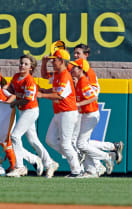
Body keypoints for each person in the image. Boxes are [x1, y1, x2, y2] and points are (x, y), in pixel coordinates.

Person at [72, 44, 124, 176]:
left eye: (79, 53)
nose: (76, 55)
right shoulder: (75, 70)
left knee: (80, 143)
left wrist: (79, 101)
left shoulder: (88, 73)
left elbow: (94, 93)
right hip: (83, 112)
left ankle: (103, 160)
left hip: (88, 111)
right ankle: (111, 149)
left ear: (86, 55)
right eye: (75, 53)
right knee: (82, 143)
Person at [6, 54, 58, 178]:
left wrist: (14, 103)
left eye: (26, 64)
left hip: (30, 110)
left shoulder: (30, 80)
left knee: (14, 136)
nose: (22, 65)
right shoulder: (16, 76)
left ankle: (20, 167)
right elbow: (11, 90)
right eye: (21, 63)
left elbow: (27, 100)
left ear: (31, 68)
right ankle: (50, 163)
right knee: (33, 140)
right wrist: (0, 86)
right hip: (23, 110)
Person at [38, 49, 81, 178]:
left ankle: (77, 170)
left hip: (67, 112)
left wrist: (42, 94)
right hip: (59, 112)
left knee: (65, 143)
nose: (52, 61)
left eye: (54, 59)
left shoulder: (65, 75)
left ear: (62, 61)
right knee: (50, 140)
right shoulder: (57, 74)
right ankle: (74, 155)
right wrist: (44, 63)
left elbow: (59, 95)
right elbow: (45, 76)